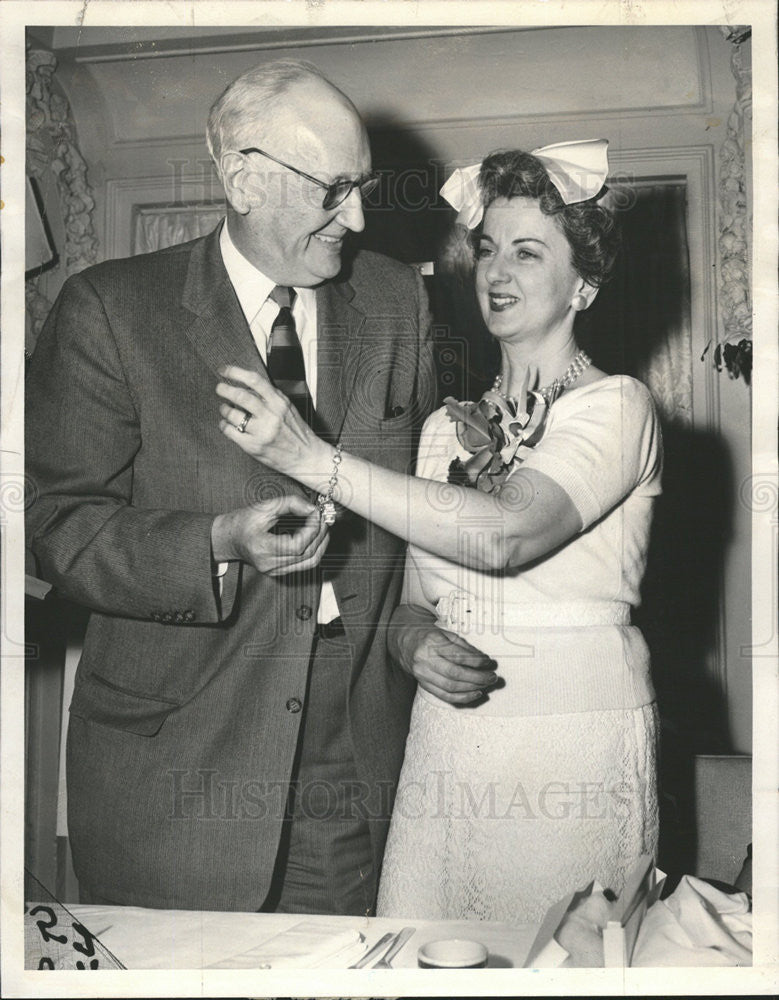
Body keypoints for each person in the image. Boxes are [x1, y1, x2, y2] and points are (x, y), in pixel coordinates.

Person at [215, 139, 663, 924]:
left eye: (528, 253)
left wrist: (312, 459)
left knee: (554, 957)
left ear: (583, 285)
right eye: (486, 248)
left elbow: (505, 534)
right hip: (448, 739)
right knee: (424, 949)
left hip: (572, 732)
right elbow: (414, 602)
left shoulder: (616, 407)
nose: (495, 272)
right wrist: (413, 642)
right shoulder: (439, 432)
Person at [25, 59, 436, 914]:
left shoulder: (398, 302)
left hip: (351, 746)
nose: (356, 219)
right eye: (333, 190)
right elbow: (54, 523)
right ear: (244, 178)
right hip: (177, 755)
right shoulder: (109, 310)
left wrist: (418, 629)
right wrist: (217, 541)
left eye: (361, 187)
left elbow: (420, 513)